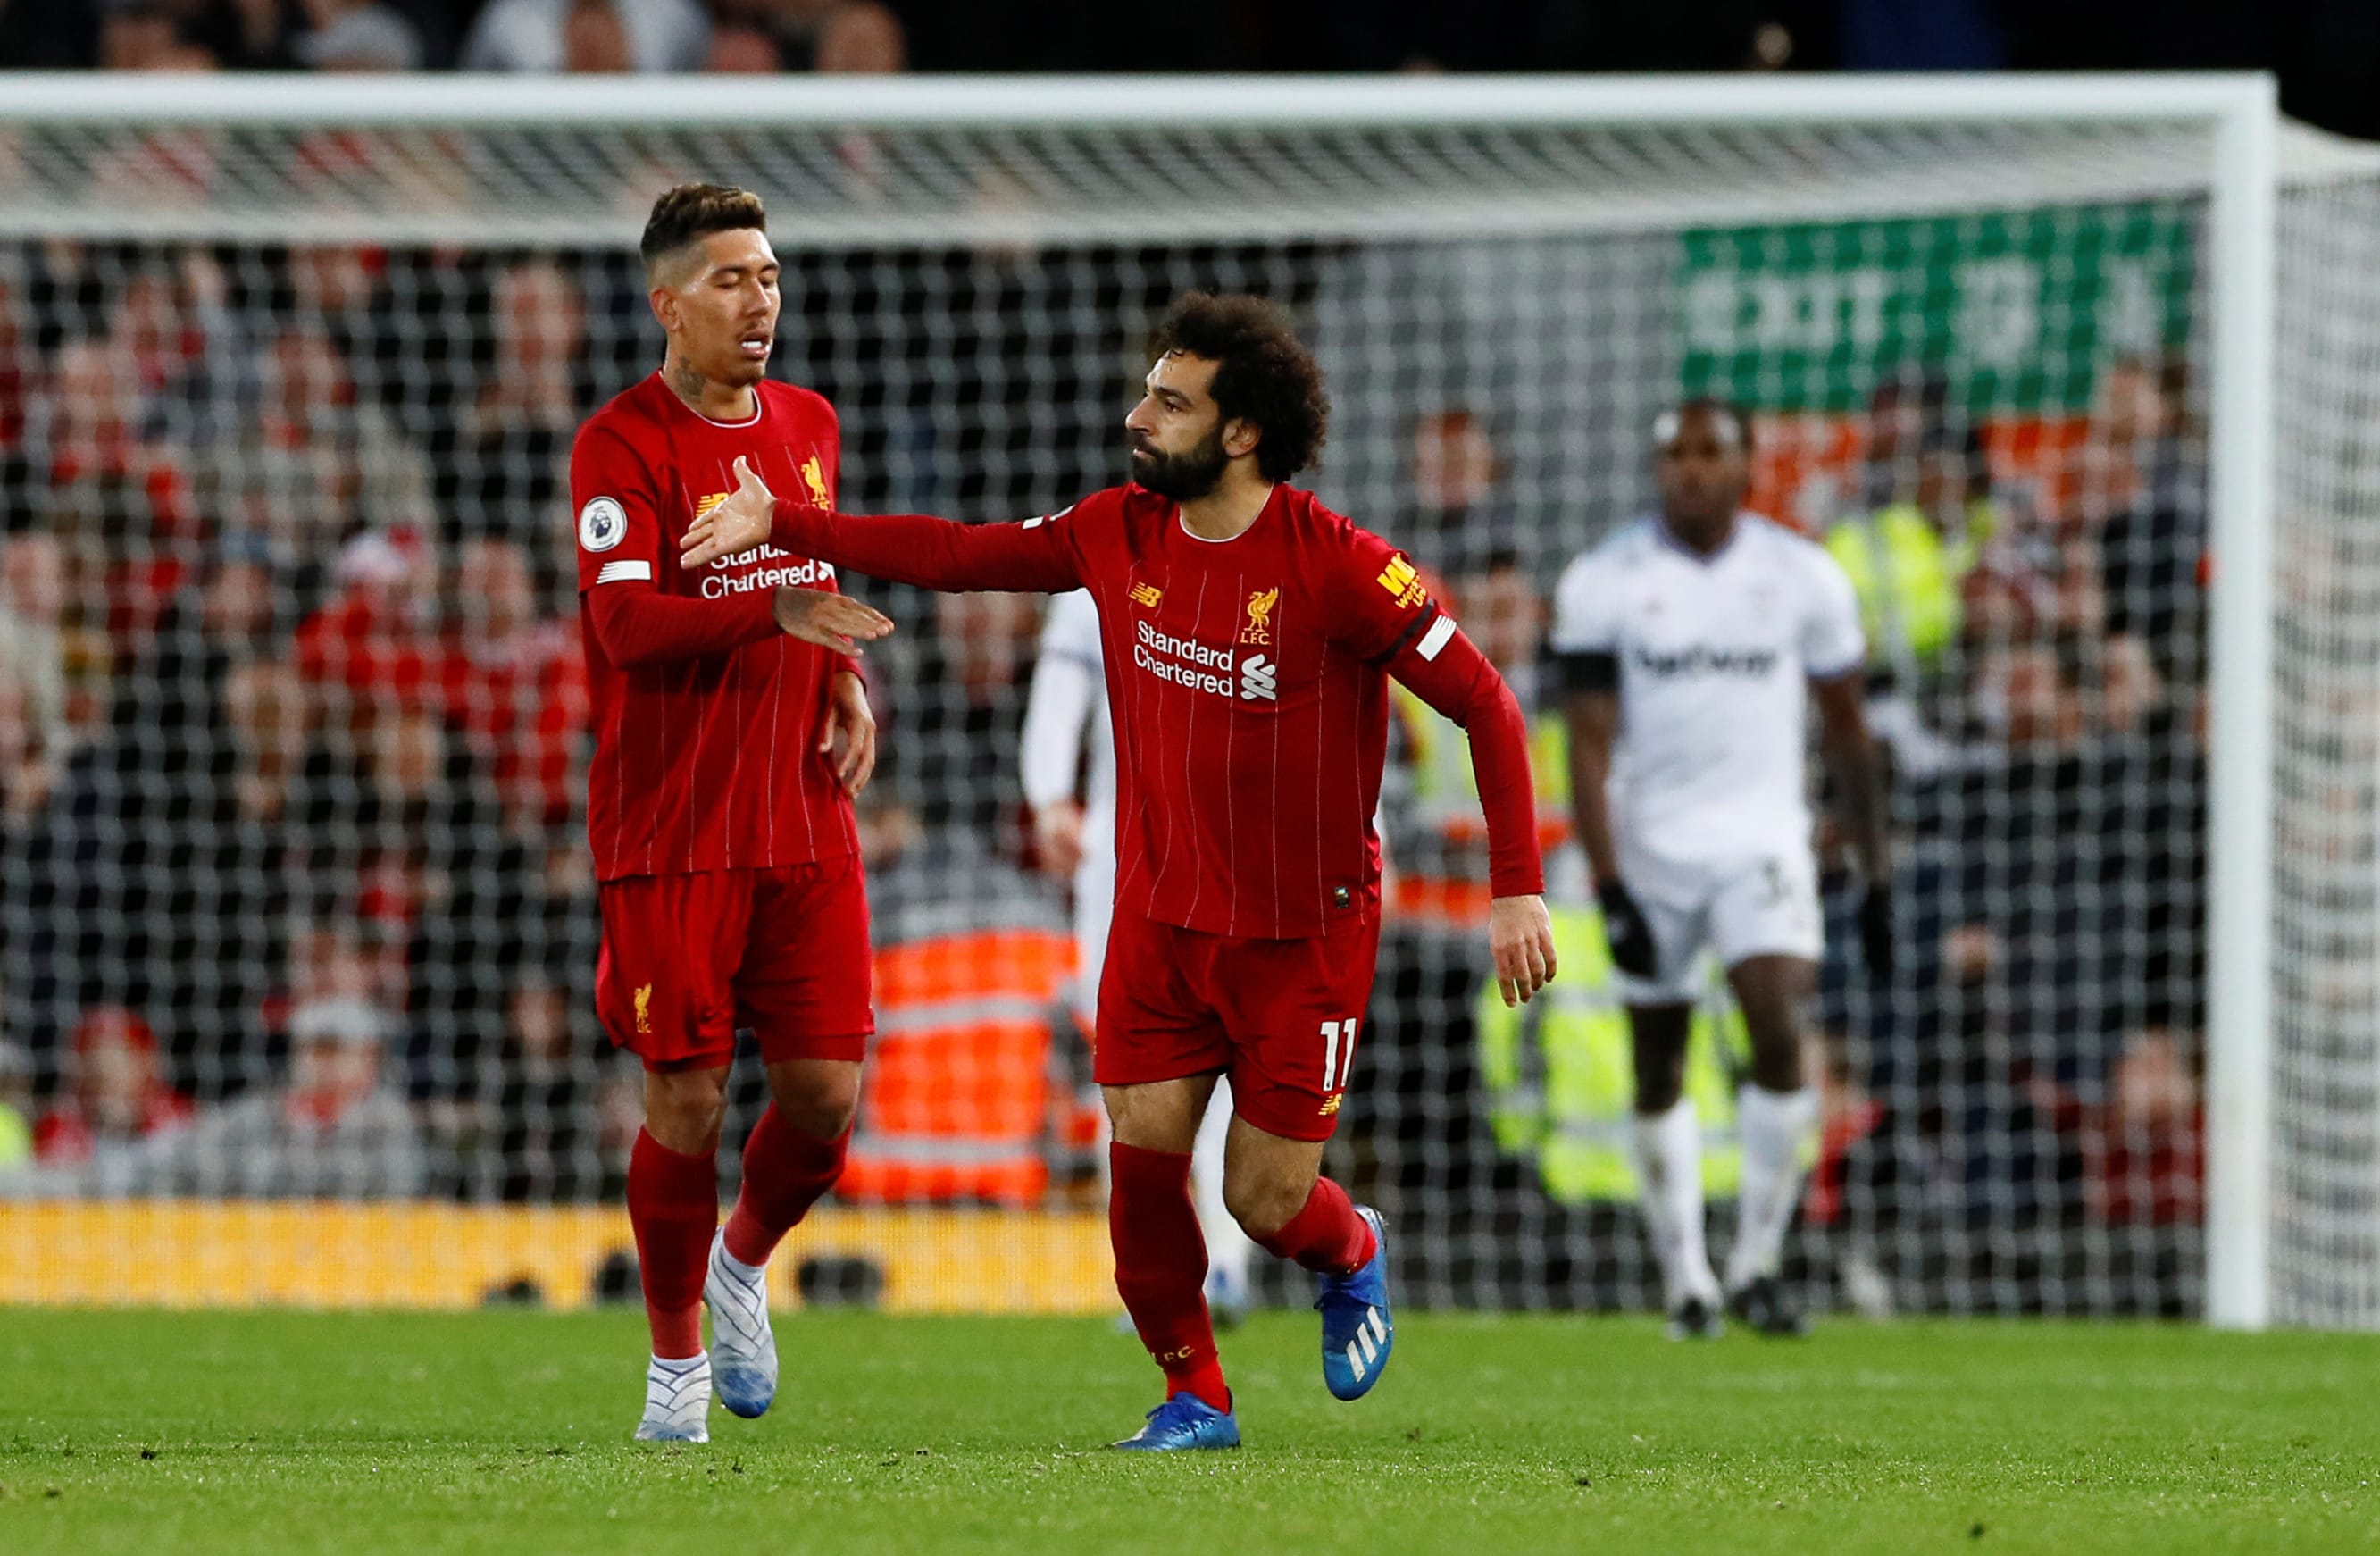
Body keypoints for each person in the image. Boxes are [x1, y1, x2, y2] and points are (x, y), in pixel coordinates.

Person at [681, 290, 1556, 1451]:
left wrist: (1516, 886)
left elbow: (1486, 704)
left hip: (1303, 936)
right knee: (1140, 1165)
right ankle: (1197, 1394)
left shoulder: (1341, 566)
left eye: (1170, 402)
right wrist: (785, 521)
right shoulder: (1117, 530)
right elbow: (956, 553)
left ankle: (1351, 1248)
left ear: (1240, 432)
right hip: (1158, 915)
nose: (1138, 416)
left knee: (1263, 1198)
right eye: (1148, 390)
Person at [570, 184, 897, 1444]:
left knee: (824, 1099)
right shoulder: (620, 445)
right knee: (688, 1102)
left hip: (802, 817)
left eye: (767, 276)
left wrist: (841, 674)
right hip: (674, 829)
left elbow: (807, 571)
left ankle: (740, 1260)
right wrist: (770, 613)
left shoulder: (809, 422)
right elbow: (624, 624)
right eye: (729, 280)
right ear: (669, 306)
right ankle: (674, 1370)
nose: (758, 300)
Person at [1553, 400, 1889, 1340]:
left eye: (1711, 453)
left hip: (1763, 843)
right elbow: (1586, 745)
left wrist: (1875, 869)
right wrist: (1608, 882)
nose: (1692, 470)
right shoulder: (1604, 582)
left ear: (1747, 466)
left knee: (1776, 1022)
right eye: (1676, 455)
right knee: (1657, 1055)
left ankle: (1756, 1262)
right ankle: (1687, 1279)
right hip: (1652, 847)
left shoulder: (1802, 576)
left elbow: (1848, 730)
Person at [1021, 587, 1257, 1324]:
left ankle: (1224, 1264)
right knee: (1125, 1062)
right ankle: (1152, 1268)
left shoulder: (1262, 571)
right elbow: (1059, 696)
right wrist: (1048, 796)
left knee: (1224, 1051)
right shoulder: (1094, 579)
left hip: (1236, 852)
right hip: (1122, 860)